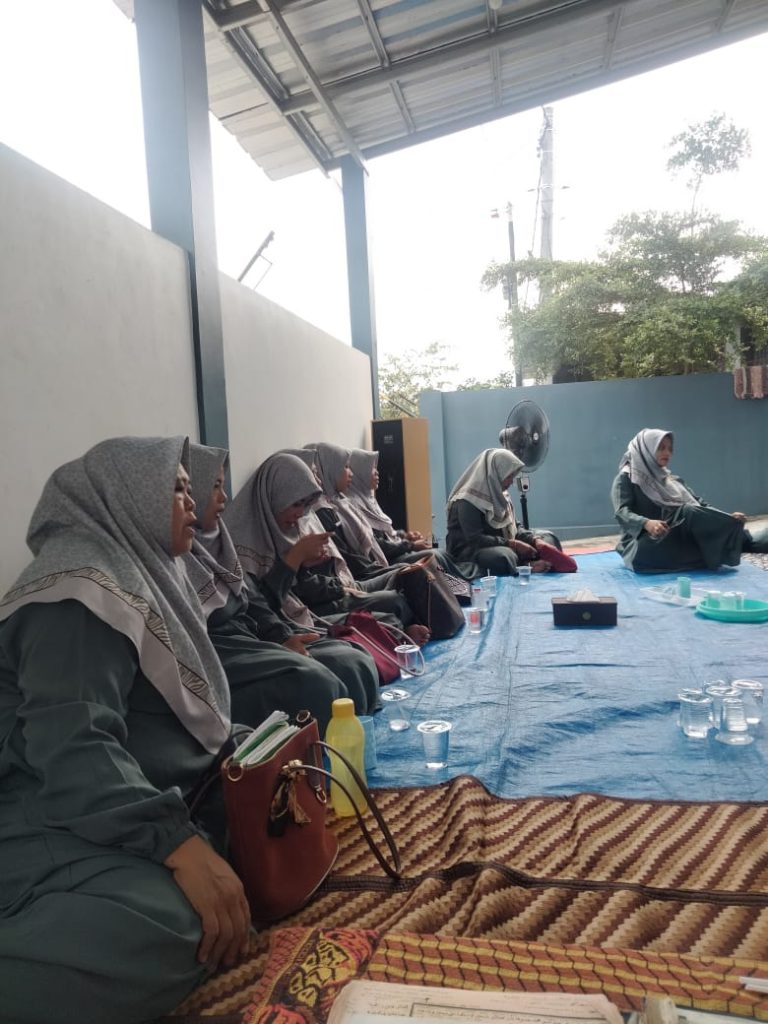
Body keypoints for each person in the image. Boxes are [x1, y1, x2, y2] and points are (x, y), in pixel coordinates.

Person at [0, 437, 250, 1024]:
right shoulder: (77, 592)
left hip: (112, 796)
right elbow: (75, 750)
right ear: (127, 495)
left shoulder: (143, 569)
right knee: (179, 925)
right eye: (178, 489)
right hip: (45, 810)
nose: (193, 502)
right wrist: (173, 841)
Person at [185, 443, 379, 733]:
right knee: (329, 676)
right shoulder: (226, 543)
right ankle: (333, 750)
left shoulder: (218, 543)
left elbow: (254, 602)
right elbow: (269, 600)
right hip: (236, 658)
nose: (223, 498)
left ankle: (355, 740)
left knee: (355, 655)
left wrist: (283, 635)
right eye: (213, 487)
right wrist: (296, 562)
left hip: (269, 632)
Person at [223, 452, 429, 644]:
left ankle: (402, 638)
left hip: (328, 594)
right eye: (296, 504)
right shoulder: (243, 547)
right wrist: (297, 560)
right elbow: (265, 608)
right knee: (393, 602)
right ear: (275, 496)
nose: (318, 480)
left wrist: (403, 539)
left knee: (410, 578)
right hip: (302, 614)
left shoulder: (289, 527)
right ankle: (401, 640)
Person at [612, 428, 768, 572]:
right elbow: (621, 512)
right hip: (644, 545)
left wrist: (727, 517)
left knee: (704, 537)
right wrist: (646, 523)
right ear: (646, 449)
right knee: (688, 513)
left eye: (670, 449)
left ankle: (745, 542)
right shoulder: (626, 478)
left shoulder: (672, 480)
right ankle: (746, 542)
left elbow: (700, 504)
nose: (667, 453)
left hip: (673, 540)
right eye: (661, 447)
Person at [446, 448, 555, 576]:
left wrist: (534, 539)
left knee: (548, 539)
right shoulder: (467, 501)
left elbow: (515, 527)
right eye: (508, 476)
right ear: (495, 473)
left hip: (500, 544)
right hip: (470, 552)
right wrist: (512, 544)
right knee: (503, 556)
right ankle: (525, 567)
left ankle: (531, 562)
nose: (511, 482)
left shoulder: (500, 495)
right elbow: (475, 540)